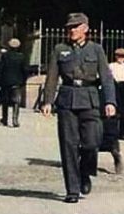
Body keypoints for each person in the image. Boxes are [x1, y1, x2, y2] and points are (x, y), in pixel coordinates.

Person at [42, 12, 117, 204]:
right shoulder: (60, 49)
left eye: (75, 27)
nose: (71, 30)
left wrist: (110, 101)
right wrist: (48, 101)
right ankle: (72, 189)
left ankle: (86, 172)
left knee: (92, 143)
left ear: (85, 28)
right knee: (68, 146)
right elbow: (52, 77)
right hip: (67, 101)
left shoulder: (96, 49)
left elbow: (106, 77)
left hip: (90, 100)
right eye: (69, 27)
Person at [0, 38, 28, 128]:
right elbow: (24, 70)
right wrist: (24, 80)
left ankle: (5, 119)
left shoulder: (5, 56)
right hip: (17, 82)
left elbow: (1, 69)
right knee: (16, 101)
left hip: (5, 81)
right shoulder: (21, 57)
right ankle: (15, 120)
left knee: (5, 101)